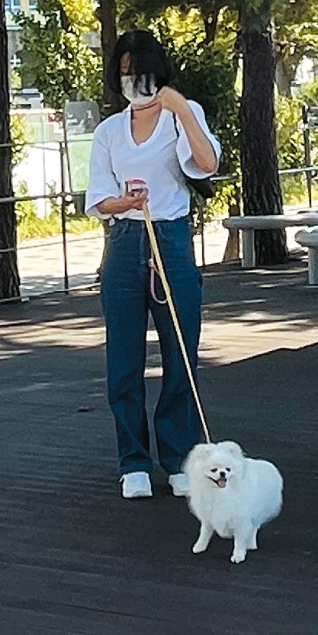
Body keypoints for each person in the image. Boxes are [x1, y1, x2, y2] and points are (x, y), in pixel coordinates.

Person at [87, 29, 222, 501]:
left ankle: (180, 455)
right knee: (123, 358)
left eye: (138, 73)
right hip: (126, 240)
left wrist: (180, 107)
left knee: (181, 352)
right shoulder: (108, 130)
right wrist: (122, 201)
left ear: (156, 72)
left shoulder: (183, 116)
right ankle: (133, 461)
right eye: (123, 74)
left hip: (172, 237)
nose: (131, 82)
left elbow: (205, 164)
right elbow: (98, 197)